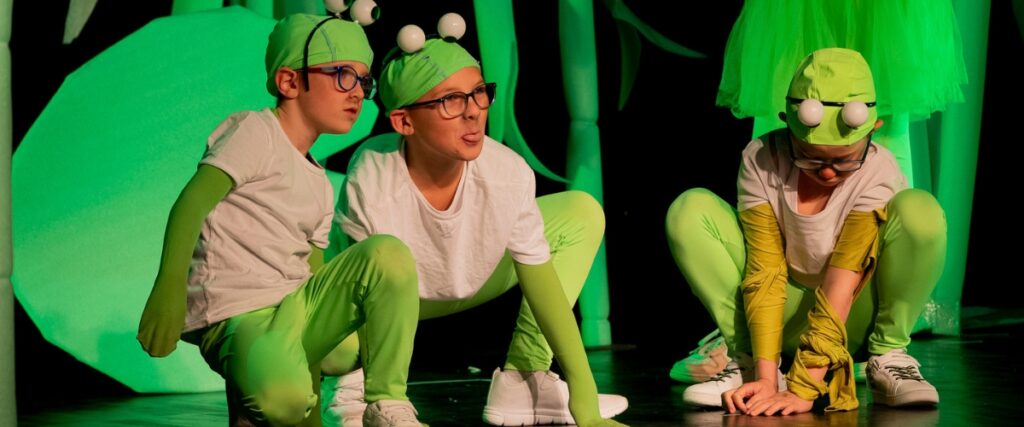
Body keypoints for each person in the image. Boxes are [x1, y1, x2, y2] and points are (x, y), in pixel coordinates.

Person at [319, 23, 628, 426]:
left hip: (464, 280)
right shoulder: (373, 176)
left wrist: (584, 402)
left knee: (581, 212)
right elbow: (372, 292)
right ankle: (356, 386)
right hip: (371, 305)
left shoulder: (507, 172)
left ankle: (524, 379)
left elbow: (545, 290)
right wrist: (386, 399)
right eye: (450, 100)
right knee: (337, 353)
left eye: (479, 92)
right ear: (404, 122)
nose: (473, 112)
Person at [137, 13, 424, 426]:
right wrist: (168, 291)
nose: (358, 93)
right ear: (290, 81)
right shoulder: (256, 131)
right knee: (283, 400)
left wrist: (342, 318)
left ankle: (386, 403)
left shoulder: (320, 181)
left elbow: (312, 274)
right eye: (343, 75)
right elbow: (191, 204)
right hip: (238, 312)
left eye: (363, 81)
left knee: (388, 255)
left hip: (293, 308)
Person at [665, 48, 946, 415]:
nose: (827, 172)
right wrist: (766, 378)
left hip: (852, 315)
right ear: (787, 126)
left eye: (844, 161)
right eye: (811, 157)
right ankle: (747, 363)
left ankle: (888, 356)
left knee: (920, 210)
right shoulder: (762, 158)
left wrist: (805, 386)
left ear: (873, 129)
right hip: (779, 314)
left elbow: (843, 282)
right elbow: (765, 270)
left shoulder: (879, 170)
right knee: (689, 209)